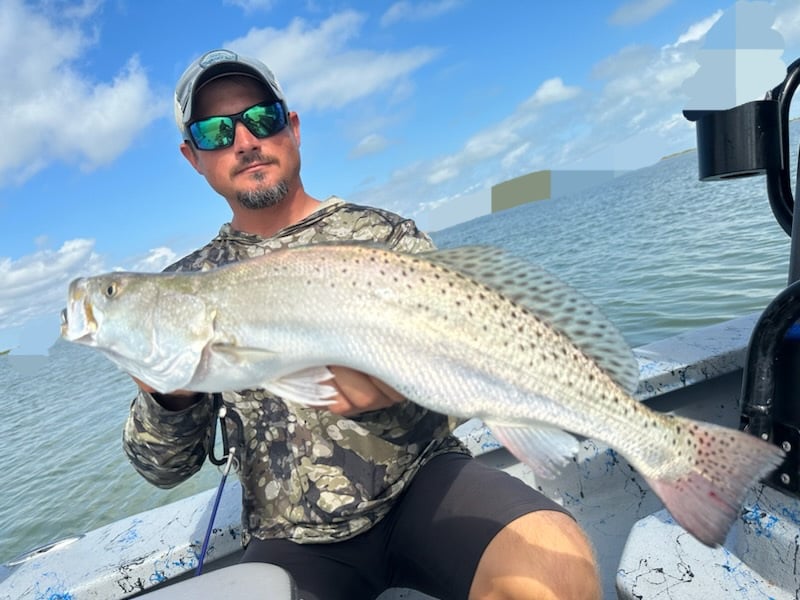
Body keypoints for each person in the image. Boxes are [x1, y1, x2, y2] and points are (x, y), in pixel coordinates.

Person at [123, 48, 601, 600]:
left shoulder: (385, 238)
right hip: (290, 535)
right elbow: (162, 469)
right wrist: (170, 396)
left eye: (261, 118)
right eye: (214, 131)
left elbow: (474, 358)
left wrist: (394, 383)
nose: (245, 141)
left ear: (292, 127)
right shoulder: (183, 288)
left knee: (556, 569)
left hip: (425, 484)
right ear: (193, 157)